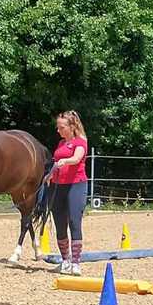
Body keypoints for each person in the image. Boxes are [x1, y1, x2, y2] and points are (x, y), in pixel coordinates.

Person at [46, 110, 89, 276]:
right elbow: (56, 163)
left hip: (76, 185)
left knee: (74, 221)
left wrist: (66, 160)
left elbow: (77, 158)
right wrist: (49, 175)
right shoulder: (61, 144)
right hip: (58, 186)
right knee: (59, 222)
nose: (58, 131)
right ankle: (65, 260)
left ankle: (76, 262)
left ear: (72, 126)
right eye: (58, 127)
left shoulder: (80, 142)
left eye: (61, 127)